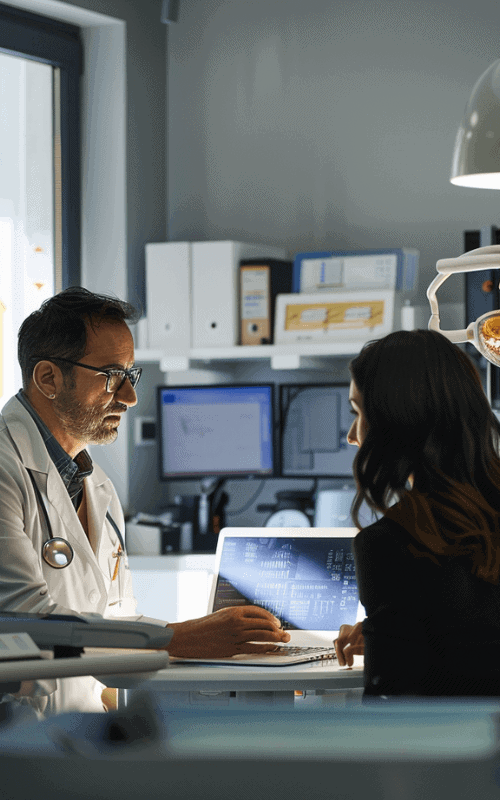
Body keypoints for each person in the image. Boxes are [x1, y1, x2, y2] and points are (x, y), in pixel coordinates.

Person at [0, 287, 289, 715]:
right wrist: (179, 639)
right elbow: (25, 626)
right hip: (17, 741)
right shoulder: (6, 468)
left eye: (130, 376)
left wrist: (204, 643)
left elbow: (115, 621)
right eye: (112, 376)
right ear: (48, 378)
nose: (130, 397)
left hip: (79, 736)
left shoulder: (96, 486)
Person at [334, 329, 500, 697]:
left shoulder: (390, 545)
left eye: (358, 412)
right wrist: (389, 627)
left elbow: (394, 716)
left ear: (395, 421)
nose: (352, 435)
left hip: (461, 751)